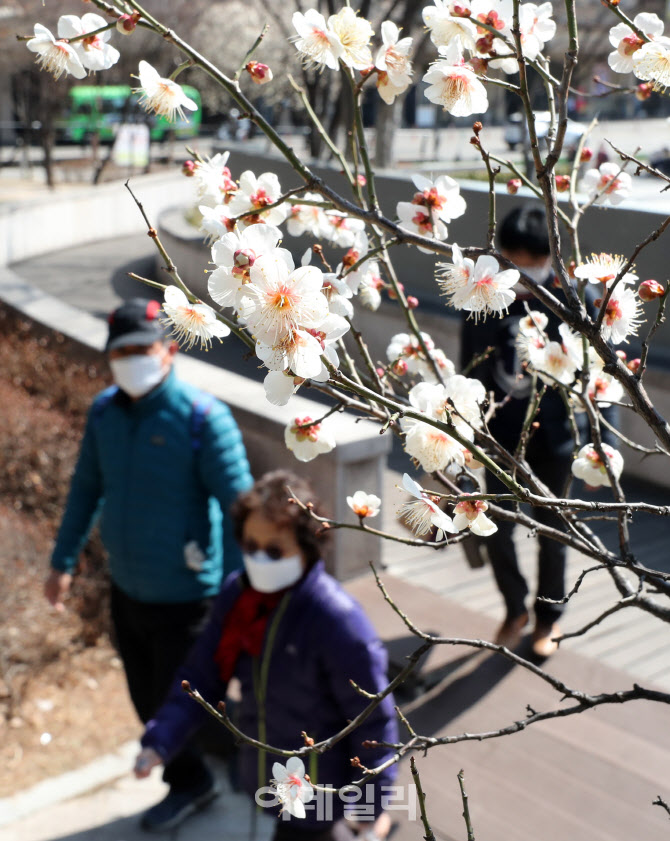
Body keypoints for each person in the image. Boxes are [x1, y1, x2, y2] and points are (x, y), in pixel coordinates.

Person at [44, 297, 253, 831]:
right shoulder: (104, 413)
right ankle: (215, 754)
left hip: (189, 596)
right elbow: (85, 489)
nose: (132, 359)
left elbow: (243, 513)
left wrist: (245, 592)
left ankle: (191, 782)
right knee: (145, 693)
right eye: (122, 351)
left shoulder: (205, 418)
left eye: (143, 348)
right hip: (128, 586)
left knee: (171, 698)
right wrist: (62, 560)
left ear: (170, 350)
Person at [134, 470, 399, 841]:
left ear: (307, 545)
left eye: (275, 550)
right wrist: (162, 738)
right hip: (271, 777)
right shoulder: (239, 597)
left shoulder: (336, 620)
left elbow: (373, 722)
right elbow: (202, 674)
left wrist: (373, 808)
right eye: (250, 546)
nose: (260, 559)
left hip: (320, 788)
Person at [459, 206, 616, 659]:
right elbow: (470, 367)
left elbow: (600, 377)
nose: (525, 269)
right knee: (495, 529)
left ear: (552, 257)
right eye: (515, 259)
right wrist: (467, 433)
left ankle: (547, 619)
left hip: (558, 438)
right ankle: (514, 609)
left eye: (534, 259)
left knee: (554, 534)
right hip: (499, 436)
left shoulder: (575, 298)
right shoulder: (484, 298)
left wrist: (600, 447)